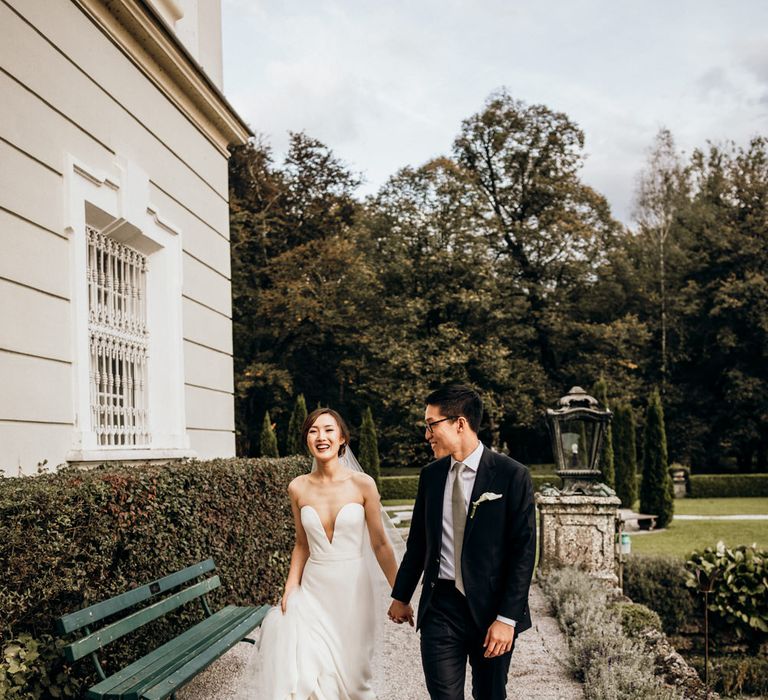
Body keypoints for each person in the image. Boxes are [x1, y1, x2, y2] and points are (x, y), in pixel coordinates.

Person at [388, 385, 536, 700]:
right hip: (440, 608)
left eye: (431, 425)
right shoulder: (431, 475)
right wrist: (401, 596)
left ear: (459, 423)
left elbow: (523, 553)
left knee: (490, 694)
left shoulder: (512, 476)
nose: (427, 435)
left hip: (492, 612)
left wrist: (507, 619)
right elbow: (418, 543)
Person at [248, 407, 401, 699]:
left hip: (354, 592)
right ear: (306, 439)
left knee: (356, 680)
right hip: (314, 591)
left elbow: (380, 544)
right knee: (309, 675)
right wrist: (291, 587)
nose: (321, 437)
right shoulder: (298, 487)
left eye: (329, 430)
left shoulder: (363, 484)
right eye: (313, 431)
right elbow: (302, 543)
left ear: (342, 438)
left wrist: (400, 593)